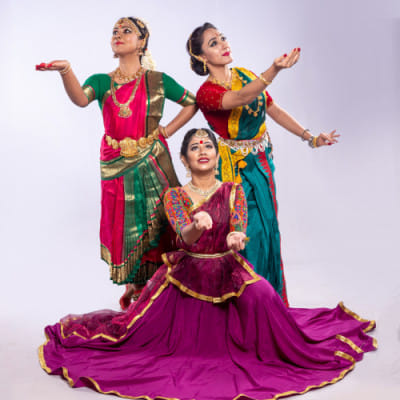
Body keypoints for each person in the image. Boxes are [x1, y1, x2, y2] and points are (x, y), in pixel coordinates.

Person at [39, 128, 376, 400]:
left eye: (208, 146)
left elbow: (238, 228)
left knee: (263, 294)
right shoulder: (175, 196)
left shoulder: (233, 190)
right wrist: (196, 226)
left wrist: (236, 238)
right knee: (155, 340)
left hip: (228, 269)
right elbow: (183, 237)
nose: (202, 150)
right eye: (194, 147)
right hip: (187, 272)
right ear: (184, 159)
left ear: (216, 156)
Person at [36, 17, 197, 309]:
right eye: (114, 31)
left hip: (153, 161)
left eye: (126, 31)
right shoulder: (101, 81)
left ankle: (165, 294)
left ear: (142, 42)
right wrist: (66, 70)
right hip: (115, 166)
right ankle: (136, 294)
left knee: (162, 223)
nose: (118, 35)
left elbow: (192, 102)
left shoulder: (158, 80)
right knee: (127, 229)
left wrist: (167, 131)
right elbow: (80, 100)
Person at [187, 23, 340, 306]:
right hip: (233, 172)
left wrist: (310, 137)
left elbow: (273, 110)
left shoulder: (245, 75)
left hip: (261, 164)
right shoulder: (206, 93)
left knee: (268, 229)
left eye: (222, 37)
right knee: (246, 233)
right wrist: (274, 70)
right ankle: (244, 307)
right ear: (201, 57)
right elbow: (241, 98)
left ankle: (270, 303)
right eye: (213, 43)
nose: (223, 44)